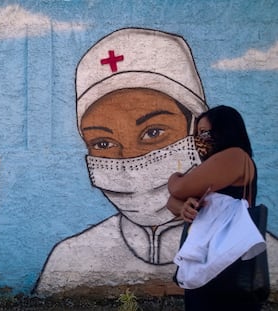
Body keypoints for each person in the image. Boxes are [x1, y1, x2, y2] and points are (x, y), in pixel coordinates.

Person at [34, 27, 208, 295]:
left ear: (195, 130)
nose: (130, 161)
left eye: (153, 133)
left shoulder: (253, 250)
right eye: (103, 144)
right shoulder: (69, 260)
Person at [167, 105, 263, 311]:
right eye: (197, 133)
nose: (199, 139)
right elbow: (172, 201)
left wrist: (173, 178)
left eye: (205, 133)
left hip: (225, 263)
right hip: (208, 259)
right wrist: (183, 206)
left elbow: (179, 187)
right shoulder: (211, 168)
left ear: (225, 131)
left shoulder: (235, 156)